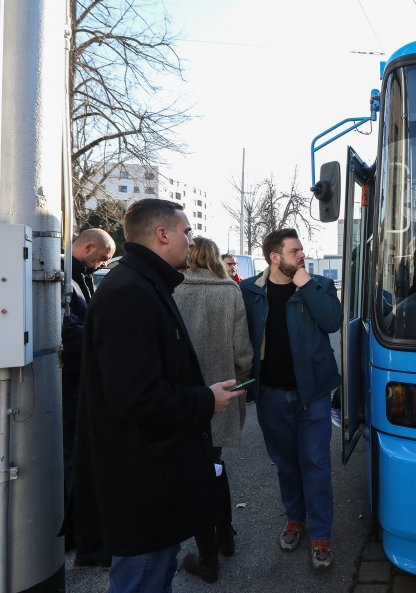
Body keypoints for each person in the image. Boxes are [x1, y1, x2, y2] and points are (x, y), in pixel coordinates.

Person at [72, 198, 245, 593]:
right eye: (186, 231)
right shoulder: (130, 292)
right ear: (162, 234)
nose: (190, 240)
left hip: (151, 480)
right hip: (142, 488)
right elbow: (136, 397)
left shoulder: (144, 283)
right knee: (143, 580)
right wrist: (206, 401)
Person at [241, 228, 342, 571]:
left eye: (301, 249)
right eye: (294, 250)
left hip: (312, 393)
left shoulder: (320, 287)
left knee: (315, 464)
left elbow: (332, 321)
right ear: (274, 257)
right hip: (270, 395)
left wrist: (306, 284)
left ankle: (322, 534)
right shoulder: (250, 291)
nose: (302, 254)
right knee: (286, 464)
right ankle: (295, 518)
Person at [174, 237, 254, 583]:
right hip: (221, 396)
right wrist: (243, 382)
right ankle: (226, 537)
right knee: (215, 464)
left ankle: (208, 559)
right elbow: (243, 352)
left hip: (184, 399)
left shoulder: (172, 291)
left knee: (194, 473)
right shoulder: (229, 291)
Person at [61, 228, 115, 567]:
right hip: (70, 384)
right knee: (74, 460)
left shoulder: (78, 276)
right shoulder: (66, 279)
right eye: (104, 255)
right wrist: (106, 335)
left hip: (77, 381)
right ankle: (82, 538)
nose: (106, 262)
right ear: (89, 247)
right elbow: (66, 330)